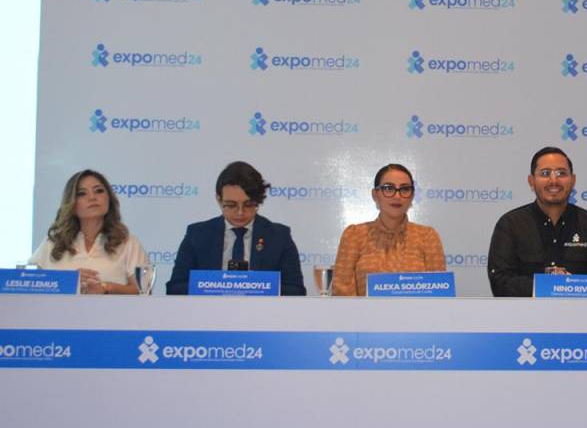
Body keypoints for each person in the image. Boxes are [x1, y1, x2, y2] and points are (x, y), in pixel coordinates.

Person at [487, 147, 587, 297]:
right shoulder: (510, 224)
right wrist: (550, 286)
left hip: (581, 317)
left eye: (561, 173)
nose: (554, 180)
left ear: (573, 181)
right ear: (531, 181)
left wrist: (571, 287)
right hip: (526, 318)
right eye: (545, 173)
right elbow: (500, 282)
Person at [166, 161, 305, 295]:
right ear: (218, 199)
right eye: (231, 205)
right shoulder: (197, 235)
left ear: (258, 200)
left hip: (261, 315)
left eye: (248, 204)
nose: (240, 212)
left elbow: (297, 290)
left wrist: (257, 286)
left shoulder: (279, 236)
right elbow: (175, 287)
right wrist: (214, 284)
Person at [28, 169, 149, 294]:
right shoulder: (53, 243)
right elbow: (27, 284)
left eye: (99, 191)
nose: (92, 197)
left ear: (109, 199)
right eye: (81, 193)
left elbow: (143, 291)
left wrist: (106, 287)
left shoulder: (128, 242)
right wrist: (69, 281)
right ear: (72, 204)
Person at [332, 163, 445, 296]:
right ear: (375, 194)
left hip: (417, 316)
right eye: (388, 188)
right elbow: (342, 294)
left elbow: (440, 294)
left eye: (404, 189)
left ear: (412, 195)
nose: (397, 196)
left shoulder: (427, 237)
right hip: (364, 316)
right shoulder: (354, 236)